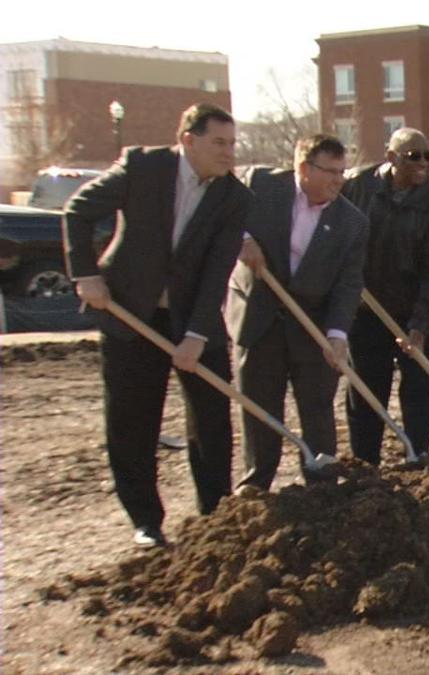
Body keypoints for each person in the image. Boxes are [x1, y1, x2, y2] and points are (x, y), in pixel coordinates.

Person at [63, 103, 251, 547]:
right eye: (218, 143)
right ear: (188, 139)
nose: (228, 153)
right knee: (132, 417)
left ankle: (215, 512)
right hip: (129, 310)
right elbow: (78, 210)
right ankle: (145, 520)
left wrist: (196, 336)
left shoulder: (235, 197)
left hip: (192, 315)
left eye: (232, 143)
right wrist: (86, 273)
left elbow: (216, 272)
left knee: (211, 416)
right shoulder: (143, 168)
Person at [225, 134, 368, 490]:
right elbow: (222, 209)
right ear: (303, 168)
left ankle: (321, 483)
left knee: (318, 405)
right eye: (330, 171)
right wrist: (242, 238)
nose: (339, 180)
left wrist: (336, 335)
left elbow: (348, 284)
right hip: (259, 316)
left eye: (342, 172)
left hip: (312, 322)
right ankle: (256, 484)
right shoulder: (260, 186)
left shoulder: (352, 223)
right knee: (260, 407)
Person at [341, 128, 429, 461]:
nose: (423, 163)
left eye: (428, 157)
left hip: (416, 310)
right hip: (366, 310)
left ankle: (416, 457)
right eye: (414, 157)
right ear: (391, 158)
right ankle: (365, 464)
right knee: (366, 391)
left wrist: (420, 325)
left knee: (421, 390)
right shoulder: (357, 188)